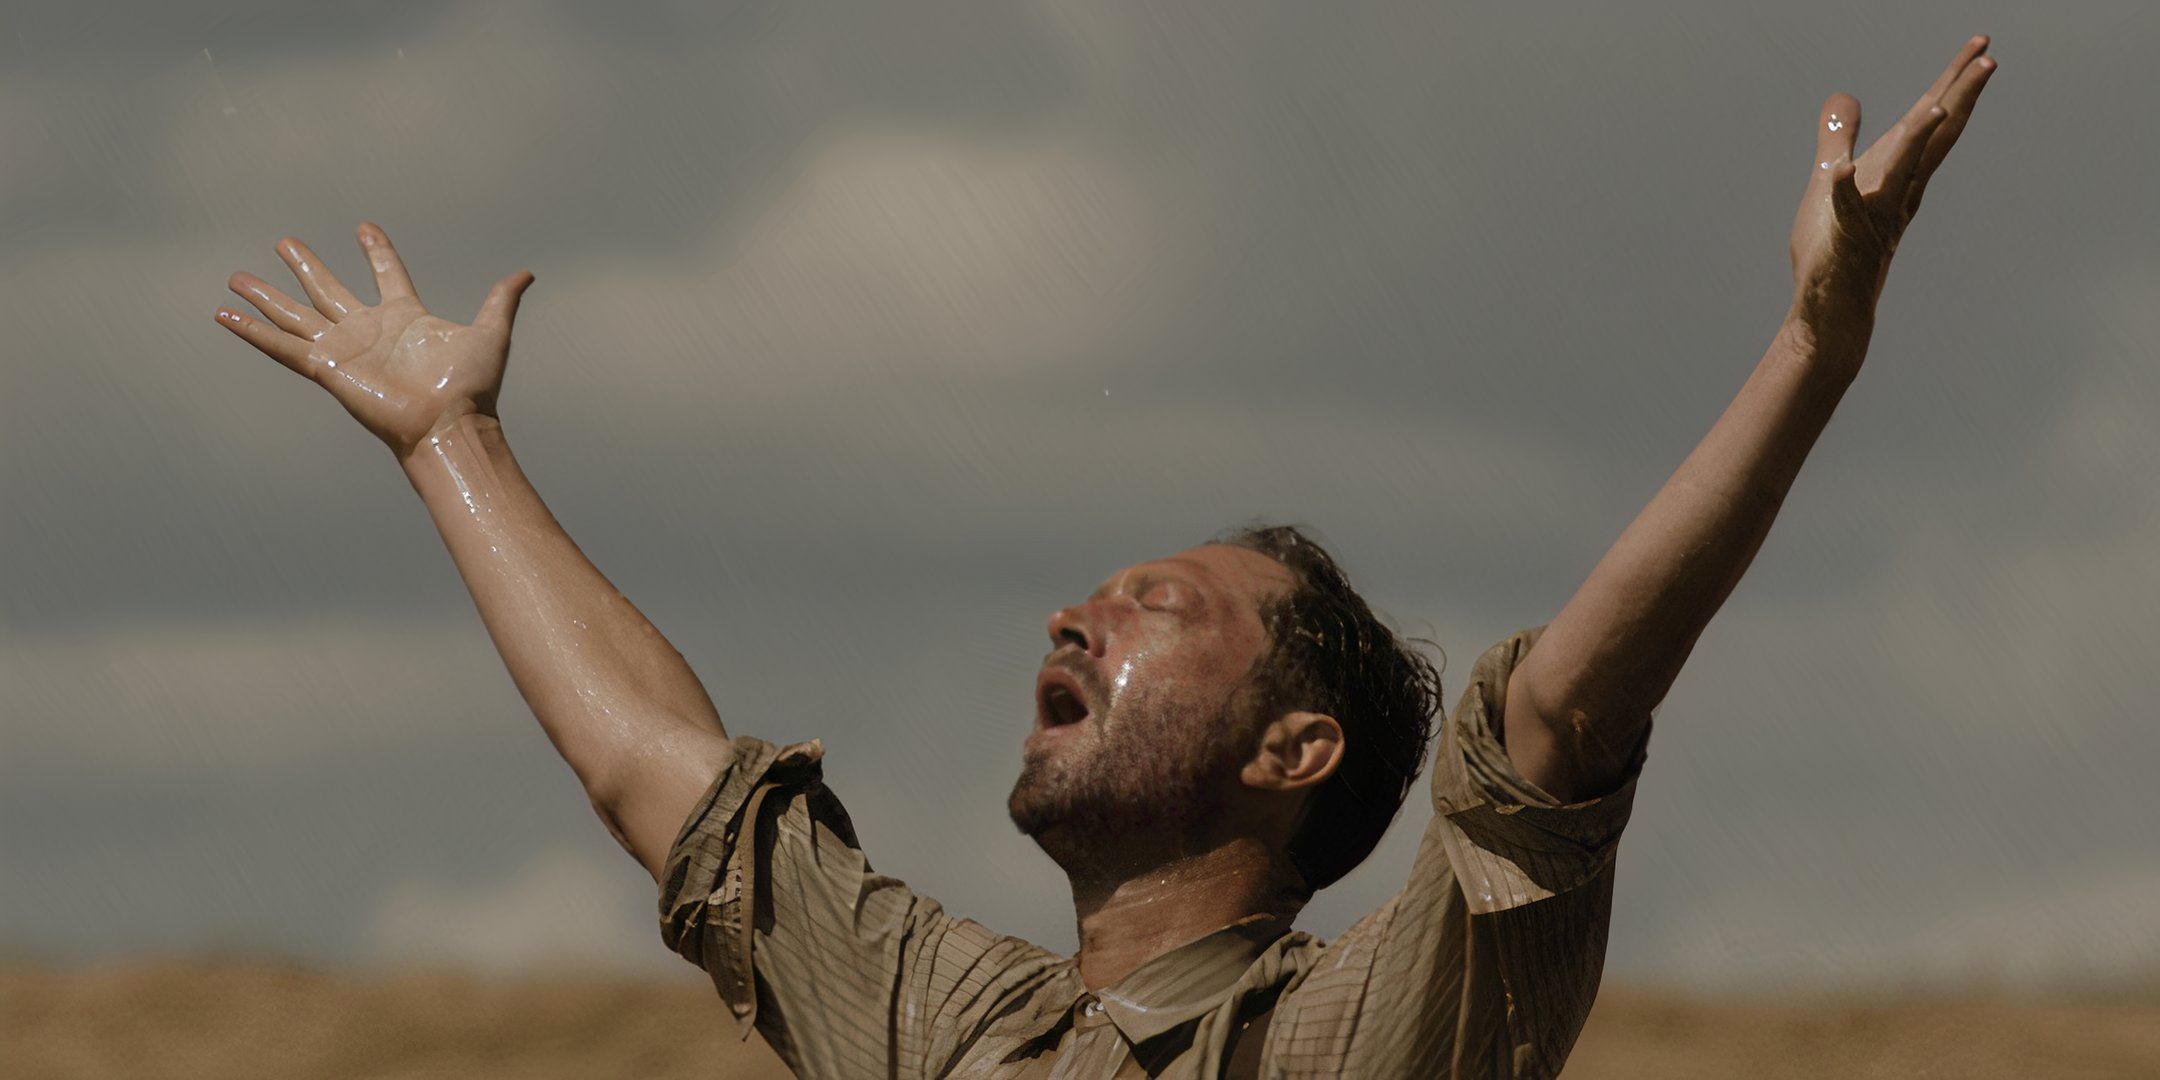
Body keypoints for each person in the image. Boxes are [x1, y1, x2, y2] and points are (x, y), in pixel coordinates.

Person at [213, 37, 1996, 1079]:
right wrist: (450, 440)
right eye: (1096, 593)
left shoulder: (1371, 1031)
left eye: (1165, 607)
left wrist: (1811, 354)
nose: (1077, 609)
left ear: (1296, 753)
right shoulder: (950, 1027)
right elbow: (661, 784)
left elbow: (1566, 719)